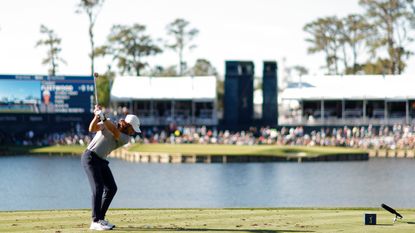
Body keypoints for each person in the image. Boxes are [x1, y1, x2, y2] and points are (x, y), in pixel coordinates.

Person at [81, 105, 141, 231]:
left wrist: (102, 117)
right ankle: (95, 221)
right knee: (98, 188)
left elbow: (114, 131)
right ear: (128, 125)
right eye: (133, 129)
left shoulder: (126, 138)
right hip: (90, 157)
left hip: (101, 160)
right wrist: (96, 116)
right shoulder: (109, 123)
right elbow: (92, 128)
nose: (134, 132)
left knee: (111, 188)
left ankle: (100, 218)